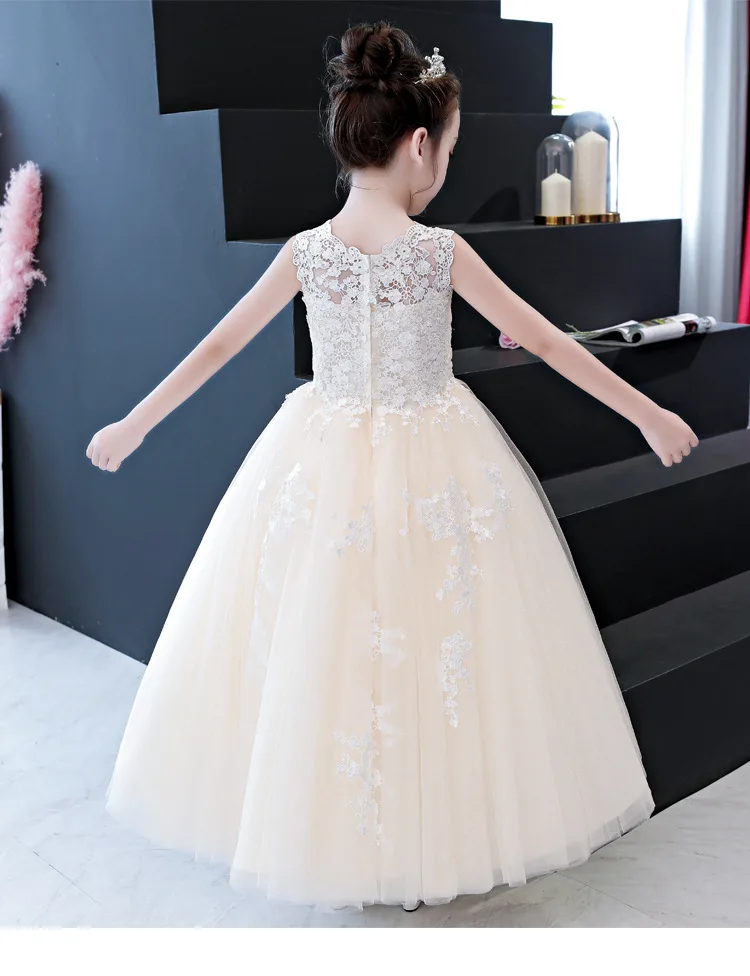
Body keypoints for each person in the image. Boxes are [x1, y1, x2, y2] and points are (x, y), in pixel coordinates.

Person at [89, 22, 697, 915]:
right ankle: (423, 837)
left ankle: (343, 837)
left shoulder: (306, 251)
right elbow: (542, 340)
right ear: (419, 145)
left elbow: (220, 344)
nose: (444, 164)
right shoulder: (440, 251)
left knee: (325, 644)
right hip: (436, 458)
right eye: (448, 148)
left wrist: (134, 423)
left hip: (322, 457)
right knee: (437, 641)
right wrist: (646, 410)